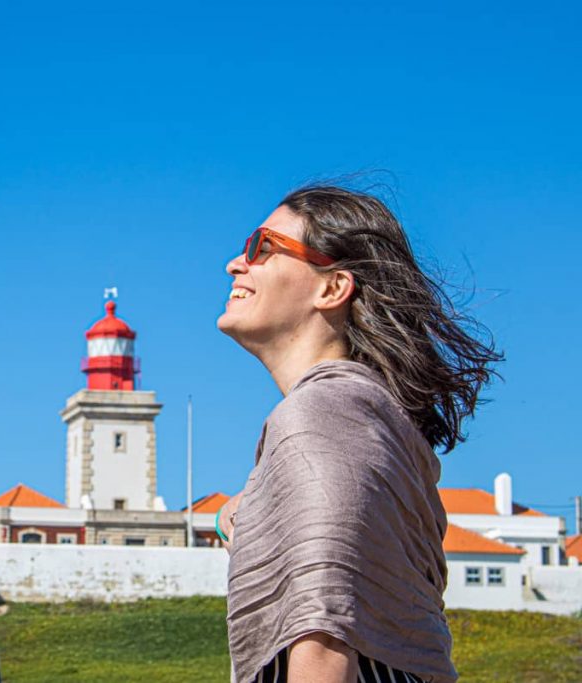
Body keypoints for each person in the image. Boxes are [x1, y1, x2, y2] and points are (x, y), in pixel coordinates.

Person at [215, 185, 501, 683]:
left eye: (262, 247)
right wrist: (244, 511)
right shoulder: (364, 418)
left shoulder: (324, 413)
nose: (236, 265)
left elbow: (323, 632)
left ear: (332, 288)